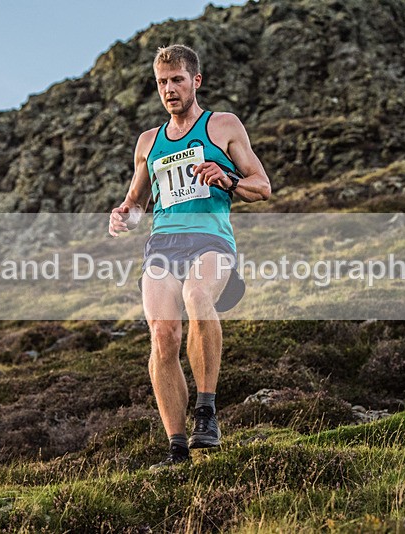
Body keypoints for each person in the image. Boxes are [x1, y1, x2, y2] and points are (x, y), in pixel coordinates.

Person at [109, 44, 271, 468]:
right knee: (163, 337)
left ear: (195, 81)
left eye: (177, 80)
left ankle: (206, 411)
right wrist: (124, 215)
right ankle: (177, 448)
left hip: (211, 240)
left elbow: (262, 186)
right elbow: (136, 201)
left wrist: (229, 179)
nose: (169, 89)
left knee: (198, 297)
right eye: (162, 83)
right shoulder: (149, 142)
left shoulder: (223, 126)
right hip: (163, 245)